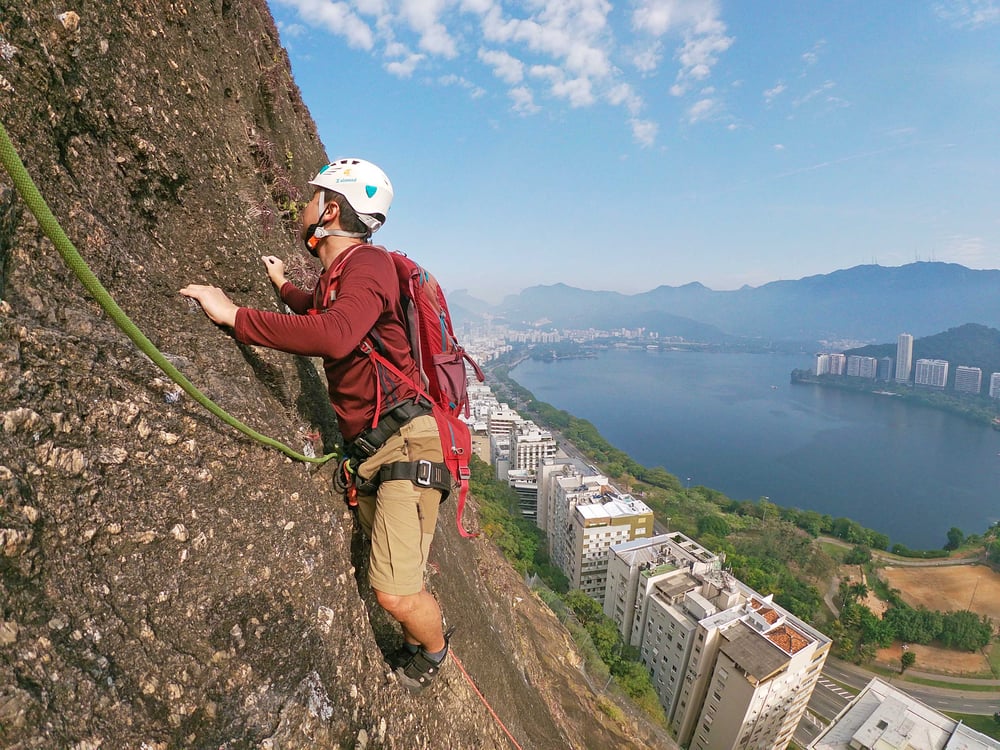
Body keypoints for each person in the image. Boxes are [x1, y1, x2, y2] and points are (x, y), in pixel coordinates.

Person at [180, 158, 450, 693]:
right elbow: (319, 308)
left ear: (329, 210)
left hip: (403, 444)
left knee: (395, 592)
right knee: (392, 566)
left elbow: (334, 334)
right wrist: (282, 284)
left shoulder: (369, 263)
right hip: (379, 445)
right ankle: (425, 627)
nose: (302, 206)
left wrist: (234, 315)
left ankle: (437, 651)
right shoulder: (343, 273)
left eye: (313, 197)